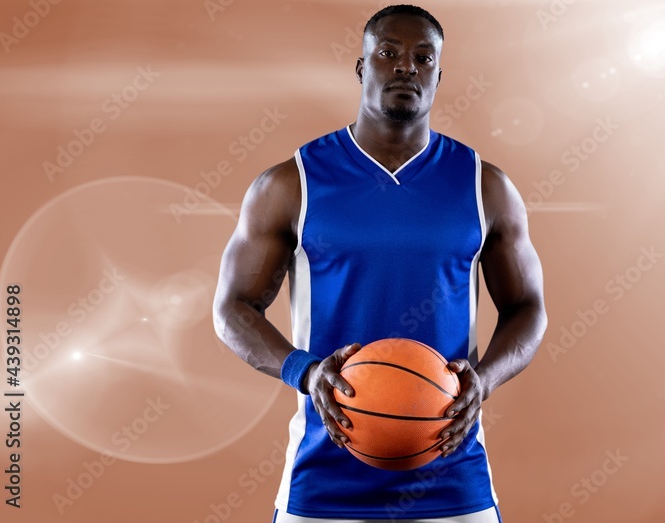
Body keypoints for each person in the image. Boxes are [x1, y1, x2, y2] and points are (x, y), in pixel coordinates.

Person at [211, 5, 547, 522]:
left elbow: (527, 308)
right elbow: (233, 308)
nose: (406, 67)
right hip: (322, 481)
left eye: (423, 57)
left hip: (452, 477)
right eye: (388, 53)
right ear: (362, 68)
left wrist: (483, 380)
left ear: (439, 74)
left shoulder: (484, 186)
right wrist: (304, 371)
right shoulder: (291, 183)